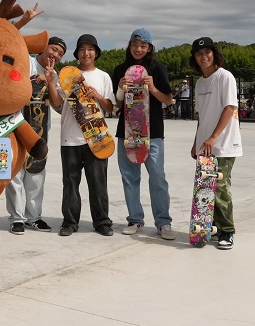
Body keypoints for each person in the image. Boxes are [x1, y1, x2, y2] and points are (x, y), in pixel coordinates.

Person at [45, 34, 115, 237]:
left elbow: (110, 108)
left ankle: (102, 221)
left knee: (98, 183)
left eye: (91, 49)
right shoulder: (66, 75)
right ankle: (69, 222)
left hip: (97, 138)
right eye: (83, 49)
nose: (87, 53)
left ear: (96, 53)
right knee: (70, 183)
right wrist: (51, 81)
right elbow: (57, 103)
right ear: (77, 53)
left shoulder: (103, 76)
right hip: (69, 138)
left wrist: (98, 96)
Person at [111, 29, 176, 240]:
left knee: (157, 177)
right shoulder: (120, 69)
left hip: (153, 132)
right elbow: (116, 105)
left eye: (143, 46)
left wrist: (153, 87)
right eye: (135, 45)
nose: (138, 49)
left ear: (149, 48)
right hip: (127, 131)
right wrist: (121, 88)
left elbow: (168, 99)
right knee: (130, 177)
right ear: (129, 45)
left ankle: (163, 222)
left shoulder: (157, 68)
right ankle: (135, 218)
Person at [5, 36, 66, 235]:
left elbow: (57, 105)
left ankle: (34, 217)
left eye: (60, 54)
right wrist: (33, 80)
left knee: (36, 174)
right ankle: (17, 218)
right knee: (14, 173)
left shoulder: (53, 74)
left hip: (39, 129)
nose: (55, 55)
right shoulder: (25, 60)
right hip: (16, 126)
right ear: (44, 47)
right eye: (54, 49)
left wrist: (49, 80)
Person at [189, 37, 243, 250]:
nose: (204, 57)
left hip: (224, 143)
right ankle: (210, 228)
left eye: (207, 53)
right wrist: (196, 142)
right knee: (205, 188)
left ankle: (227, 231)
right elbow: (202, 116)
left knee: (220, 187)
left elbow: (230, 108)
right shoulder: (200, 83)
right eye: (199, 54)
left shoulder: (225, 77)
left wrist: (213, 137)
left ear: (214, 54)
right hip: (205, 146)